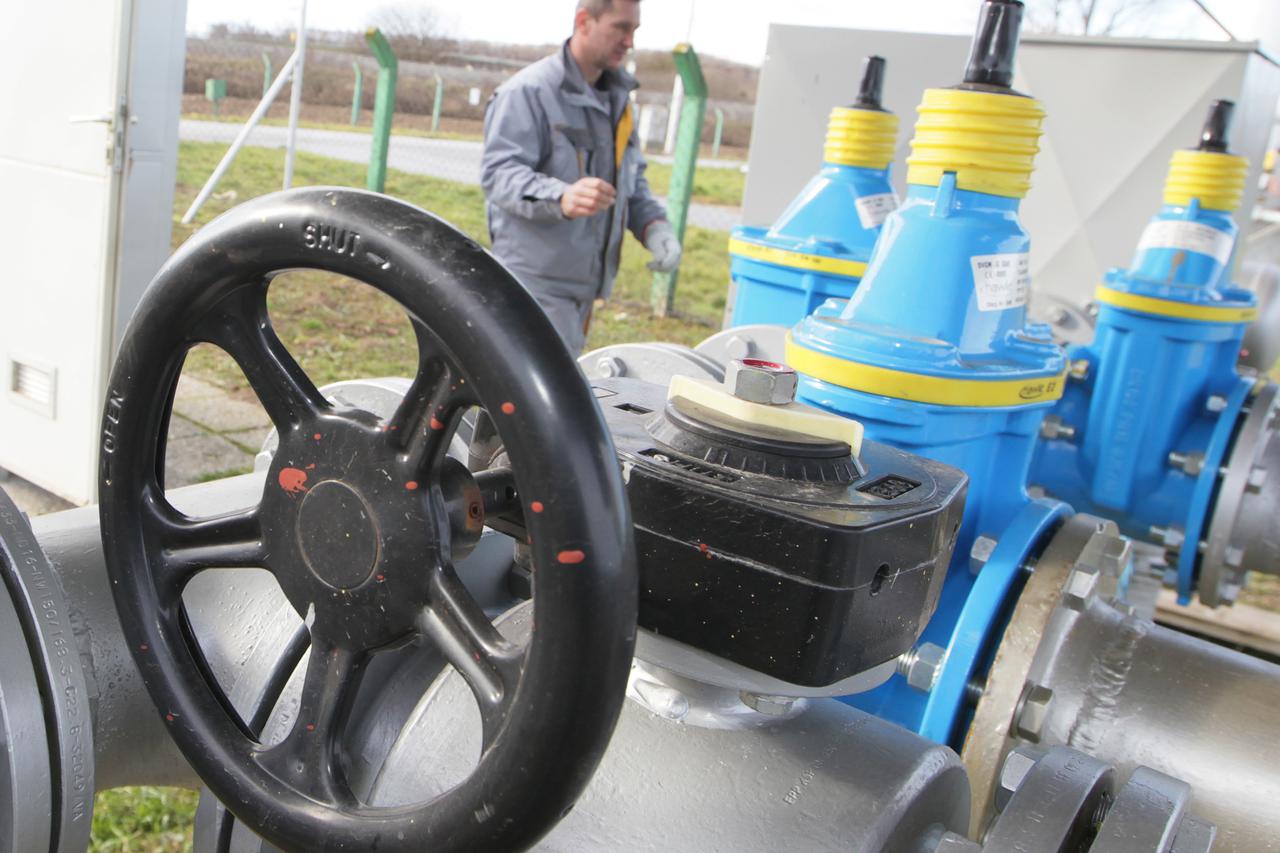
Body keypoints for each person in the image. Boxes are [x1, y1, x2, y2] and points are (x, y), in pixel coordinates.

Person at [480, 0, 682, 354]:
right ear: (584, 21)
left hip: (583, 290)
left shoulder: (618, 101)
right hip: (532, 287)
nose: (630, 42)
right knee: (535, 388)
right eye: (621, 28)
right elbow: (499, 175)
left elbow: (630, 182)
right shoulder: (527, 93)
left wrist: (654, 227)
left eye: (634, 30)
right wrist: (561, 197)